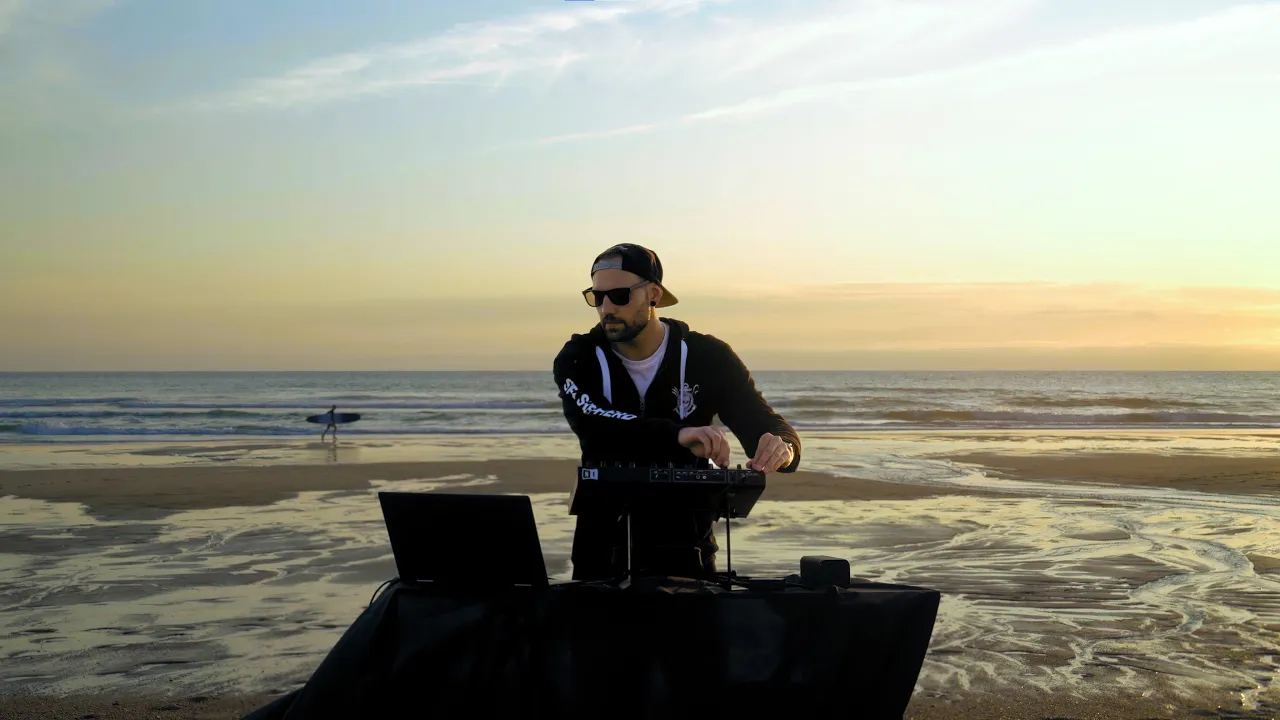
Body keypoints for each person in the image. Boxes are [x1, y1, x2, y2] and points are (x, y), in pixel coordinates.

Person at [553, 243, 801, 581]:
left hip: (690, 549)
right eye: (597, 297)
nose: (607, 308)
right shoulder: (578, 357)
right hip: (601, 550)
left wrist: (783, 447)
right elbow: (595, 426)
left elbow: (762, 420)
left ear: (653, 294)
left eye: (620, 296)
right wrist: (678, 435)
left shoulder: (708, 356)